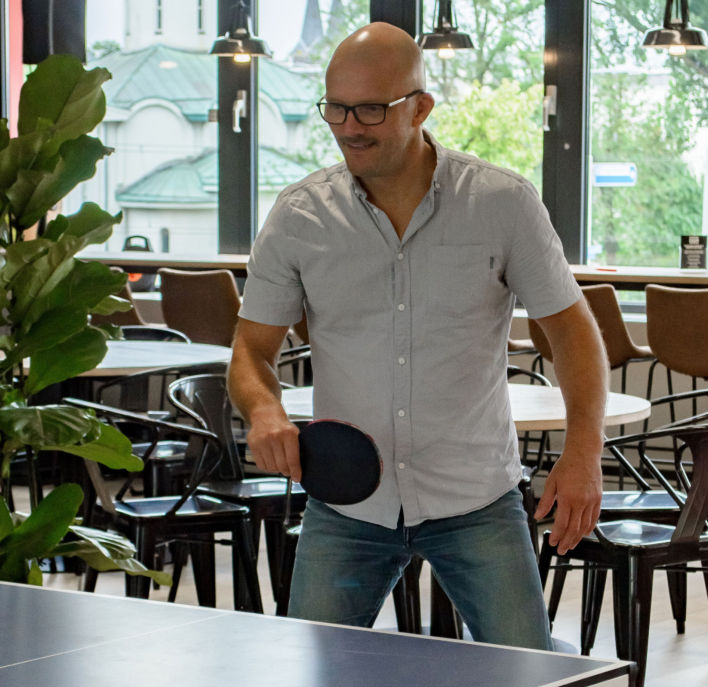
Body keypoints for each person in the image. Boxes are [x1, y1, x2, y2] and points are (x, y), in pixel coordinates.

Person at [229, 22, 608, 650]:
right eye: (336, 108)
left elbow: (573, 333)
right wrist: (264, 409)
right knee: (305, 685)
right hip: (348, 507)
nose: (349, 126)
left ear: (421, 106)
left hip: (476, 500)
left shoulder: (502, 203)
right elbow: (250, 350)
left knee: (527, 679)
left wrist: (583, 453)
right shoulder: (299, 217)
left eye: (371, 109)